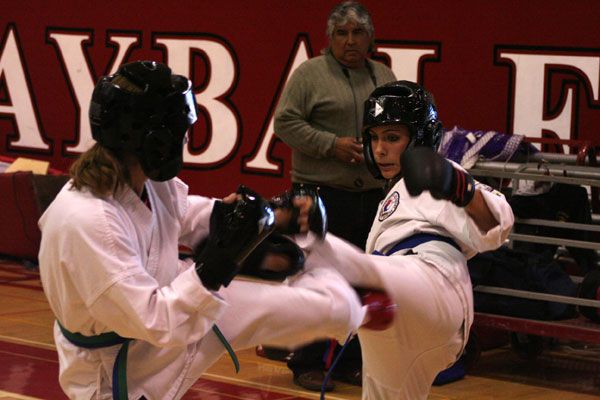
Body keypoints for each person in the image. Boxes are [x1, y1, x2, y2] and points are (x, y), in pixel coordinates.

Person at [37, 60, 369, 400]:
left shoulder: (141, 180)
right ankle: (359, 307)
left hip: (150, 328)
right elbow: (157, 320)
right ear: (156, 140)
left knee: (299, 303)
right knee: (257, 300)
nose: (184, 141)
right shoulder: (90, 222)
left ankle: (357, 306)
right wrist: (216, 265)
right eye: (181, 133)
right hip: (113, 370)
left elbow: (186, 216)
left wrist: (272, 215)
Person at [293, 80, 515, 399]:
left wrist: (460, 188)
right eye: (374, 138)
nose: (380, 149)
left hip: (431, 282)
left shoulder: (439, 175)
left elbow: (500, 221)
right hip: (410, 312)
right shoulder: (390, 196)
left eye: (393, 138)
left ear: (422, 139)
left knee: (329, 264)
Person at [274, 0, 396, 390]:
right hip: (319, 194)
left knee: (362, 279)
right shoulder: (310, 74)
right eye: (341, 33)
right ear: (329, 38)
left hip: (371, 197)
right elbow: (285, 122)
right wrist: (331, 145)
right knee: (315, 279)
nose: (350, 41)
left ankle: (349, 361)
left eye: (358, 33)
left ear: (370, 38)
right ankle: (306, 361)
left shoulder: (383, 75)